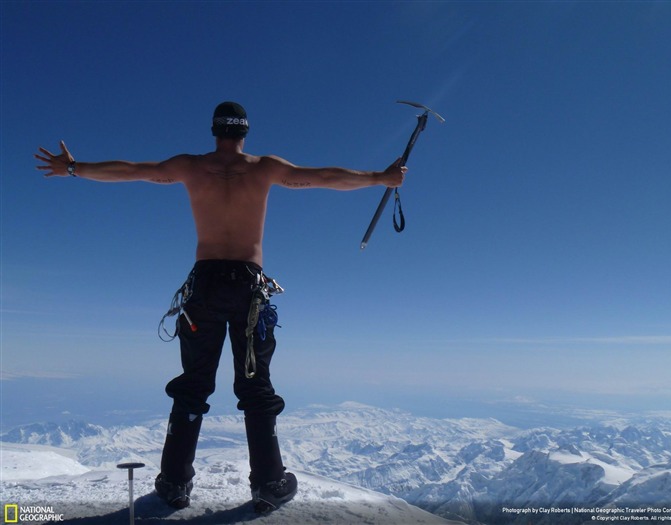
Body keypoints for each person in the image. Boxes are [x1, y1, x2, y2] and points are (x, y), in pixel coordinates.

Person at [35, 101, 406, 513]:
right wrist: (381, 178)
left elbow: (131, 170)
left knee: (193, 384)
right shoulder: (264, 168)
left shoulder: (190, 167)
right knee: (255, 384)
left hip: (205, 287)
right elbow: (325, 177)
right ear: (245, 132)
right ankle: (268, 483)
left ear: (213, 131)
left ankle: (174, 484)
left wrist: (74, 168)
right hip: (248, 288)